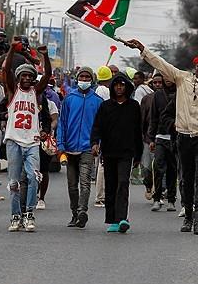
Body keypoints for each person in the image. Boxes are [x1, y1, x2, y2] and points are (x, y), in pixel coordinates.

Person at [124, 39, 198, 235]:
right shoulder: (183, 79)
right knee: (186, 179)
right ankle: (188, 216)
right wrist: (142, 49)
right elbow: (161, 64)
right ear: (194, 68)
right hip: (184, 137)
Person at [4, 42, 51, 232]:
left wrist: (45, 56)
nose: (26, 78)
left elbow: (47, 75)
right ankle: (15, 216)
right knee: (14, 182)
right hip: (14, 140)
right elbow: (6, 68)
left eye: (30, 76)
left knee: (34, 177)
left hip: (32, 142)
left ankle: (28, 214)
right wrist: (11, 50)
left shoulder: (35, 92)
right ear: (17, 78)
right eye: (23, 75)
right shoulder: (11, 91)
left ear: (33, 79)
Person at [91, 73, 143, 233]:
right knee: (111, 185)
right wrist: (94, 143)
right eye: (116, 85)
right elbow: (97, 127)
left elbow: (137, 132)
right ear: (112, 87)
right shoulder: (105, 106)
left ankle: (122, 218)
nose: (119, 88)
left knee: (122, 184)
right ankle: (113, 219)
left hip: (126, 153)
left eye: (122, 85)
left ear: (127, 87)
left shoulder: (134, 106)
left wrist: (138, 155)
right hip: (108, 152)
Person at [57, 67, 103, 229]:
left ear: (92, 80)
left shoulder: (98, 101)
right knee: (72, 184)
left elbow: (100, 127)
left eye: (87, 77)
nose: (84, 79)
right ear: (77, 79)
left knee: (85, 183)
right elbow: (62, 124)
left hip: (87, 148)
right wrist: (60, 145)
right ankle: (74, 213)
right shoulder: (69, 99)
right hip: (69, 148)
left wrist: (98, 144)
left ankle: (82, 211)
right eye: (82, 76)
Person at [148, 76, 177, 211]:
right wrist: (151, 138)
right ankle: (157, 198)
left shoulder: (180, 92)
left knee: (172, 168)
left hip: (176, 137)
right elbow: (153, 117)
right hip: (160, 136)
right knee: (158, 167)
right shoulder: (158, 95)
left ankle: (171, 199)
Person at [139, 73, 163, 201]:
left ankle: (160, 192)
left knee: (160, 168)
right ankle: (148, 186)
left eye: (160, 82)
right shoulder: (146, 99)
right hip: (148, 139)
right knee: (147, 167)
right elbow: (142, 120)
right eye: (155, 83)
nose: (158, 85)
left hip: (163, 139)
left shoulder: (170, 98)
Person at [93, 66, 112, 208]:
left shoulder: (96, 90)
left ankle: (101, 195)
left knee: (100, 163)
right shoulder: (104, 91)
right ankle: (100, 196)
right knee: (102, 164)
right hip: (103, 130)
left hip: (98, 129)